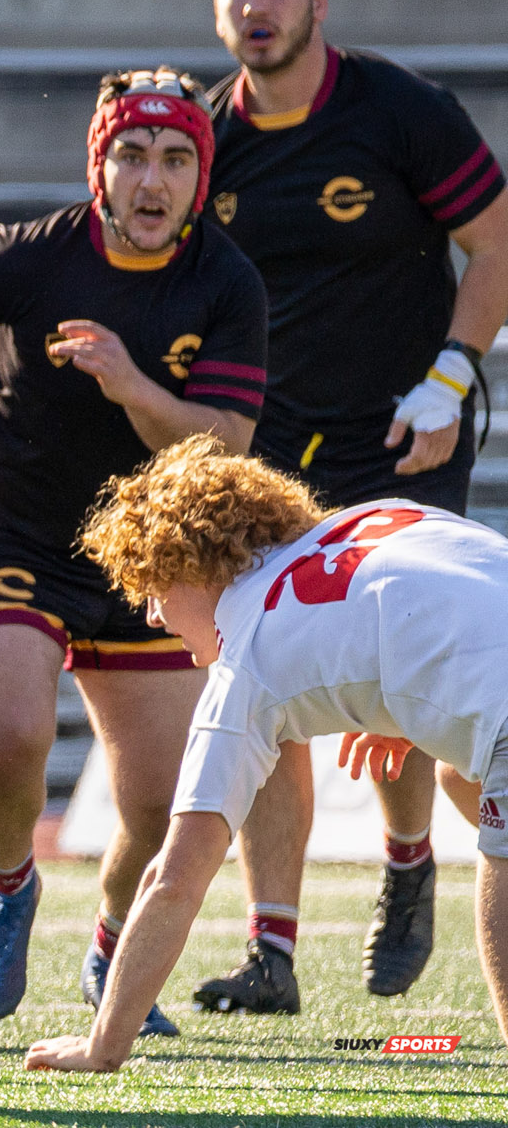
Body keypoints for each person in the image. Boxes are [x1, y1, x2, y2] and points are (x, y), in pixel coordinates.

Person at [0, 70, 268, 1031]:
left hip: (151, 560)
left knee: (162, 797)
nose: (152, 178)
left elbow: (222, 444)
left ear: (199, 177)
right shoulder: (34, 254)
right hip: (17, 536)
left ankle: (107, 942)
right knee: (5, 732)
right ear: (100, 164)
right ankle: (9, 888)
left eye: (176, 158)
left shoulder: (225, 279)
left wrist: (132, 384)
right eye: (132, 153)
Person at [193, 0, 508, 1014]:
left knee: (407, 678)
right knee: (255, 672)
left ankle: (407, 863)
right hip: (266, 452)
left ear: (316, 1)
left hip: (399, 425)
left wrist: (452, 371)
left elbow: (497, 238)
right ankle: (270, 950)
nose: (254, 9)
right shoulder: (202, 137)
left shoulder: (398, 109)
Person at [28, 435, 508, 1071]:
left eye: (154, 585)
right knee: (457, 778)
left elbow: (173, 882)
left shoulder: (246, 659)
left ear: (193, 567)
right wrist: (407, 706)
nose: (150, 615)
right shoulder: (368, 519)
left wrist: (102, 1045)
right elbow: (454, 603)